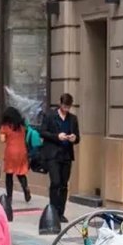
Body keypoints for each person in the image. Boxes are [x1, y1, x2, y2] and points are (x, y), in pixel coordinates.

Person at [40, 93, 80, 222]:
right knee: (55, 182)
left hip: (66, 155)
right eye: (64, 106)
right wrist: (57, 136)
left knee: (64, 184)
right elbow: (43, 132)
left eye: (68, 107)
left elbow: (78, 138)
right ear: (60, 104)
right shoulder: (50, 116)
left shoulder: (73, 119)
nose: (66, 109)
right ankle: (53, 210)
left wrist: (74, 138)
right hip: (53, 154)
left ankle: (60, 212)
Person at [0, 106, 31, 204]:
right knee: (21, 172)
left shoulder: (5, 126)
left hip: (11, 152)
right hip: (22, 151)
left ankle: (9, 197)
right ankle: (25, 188)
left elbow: (2, 139)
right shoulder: (22, 126)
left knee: (9, 174)